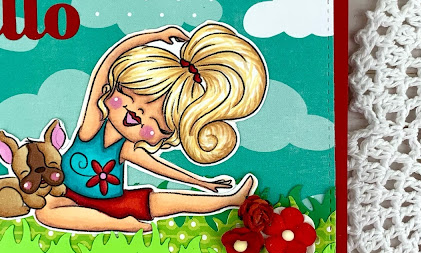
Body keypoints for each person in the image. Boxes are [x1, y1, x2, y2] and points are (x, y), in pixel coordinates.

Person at [35, 22, 268, 233]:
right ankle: (120, 225)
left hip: (113, 204)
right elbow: (106, 66)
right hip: (66, 195)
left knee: (161, 201)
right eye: (131, 95)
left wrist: (202, 183)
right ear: (113, 88)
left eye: (155, 121)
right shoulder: (92, 126)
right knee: (45, 211)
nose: (138, 113)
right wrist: (154, 36)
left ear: (163, 136)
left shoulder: (128, 148)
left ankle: (230, 200)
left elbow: (162, 169)